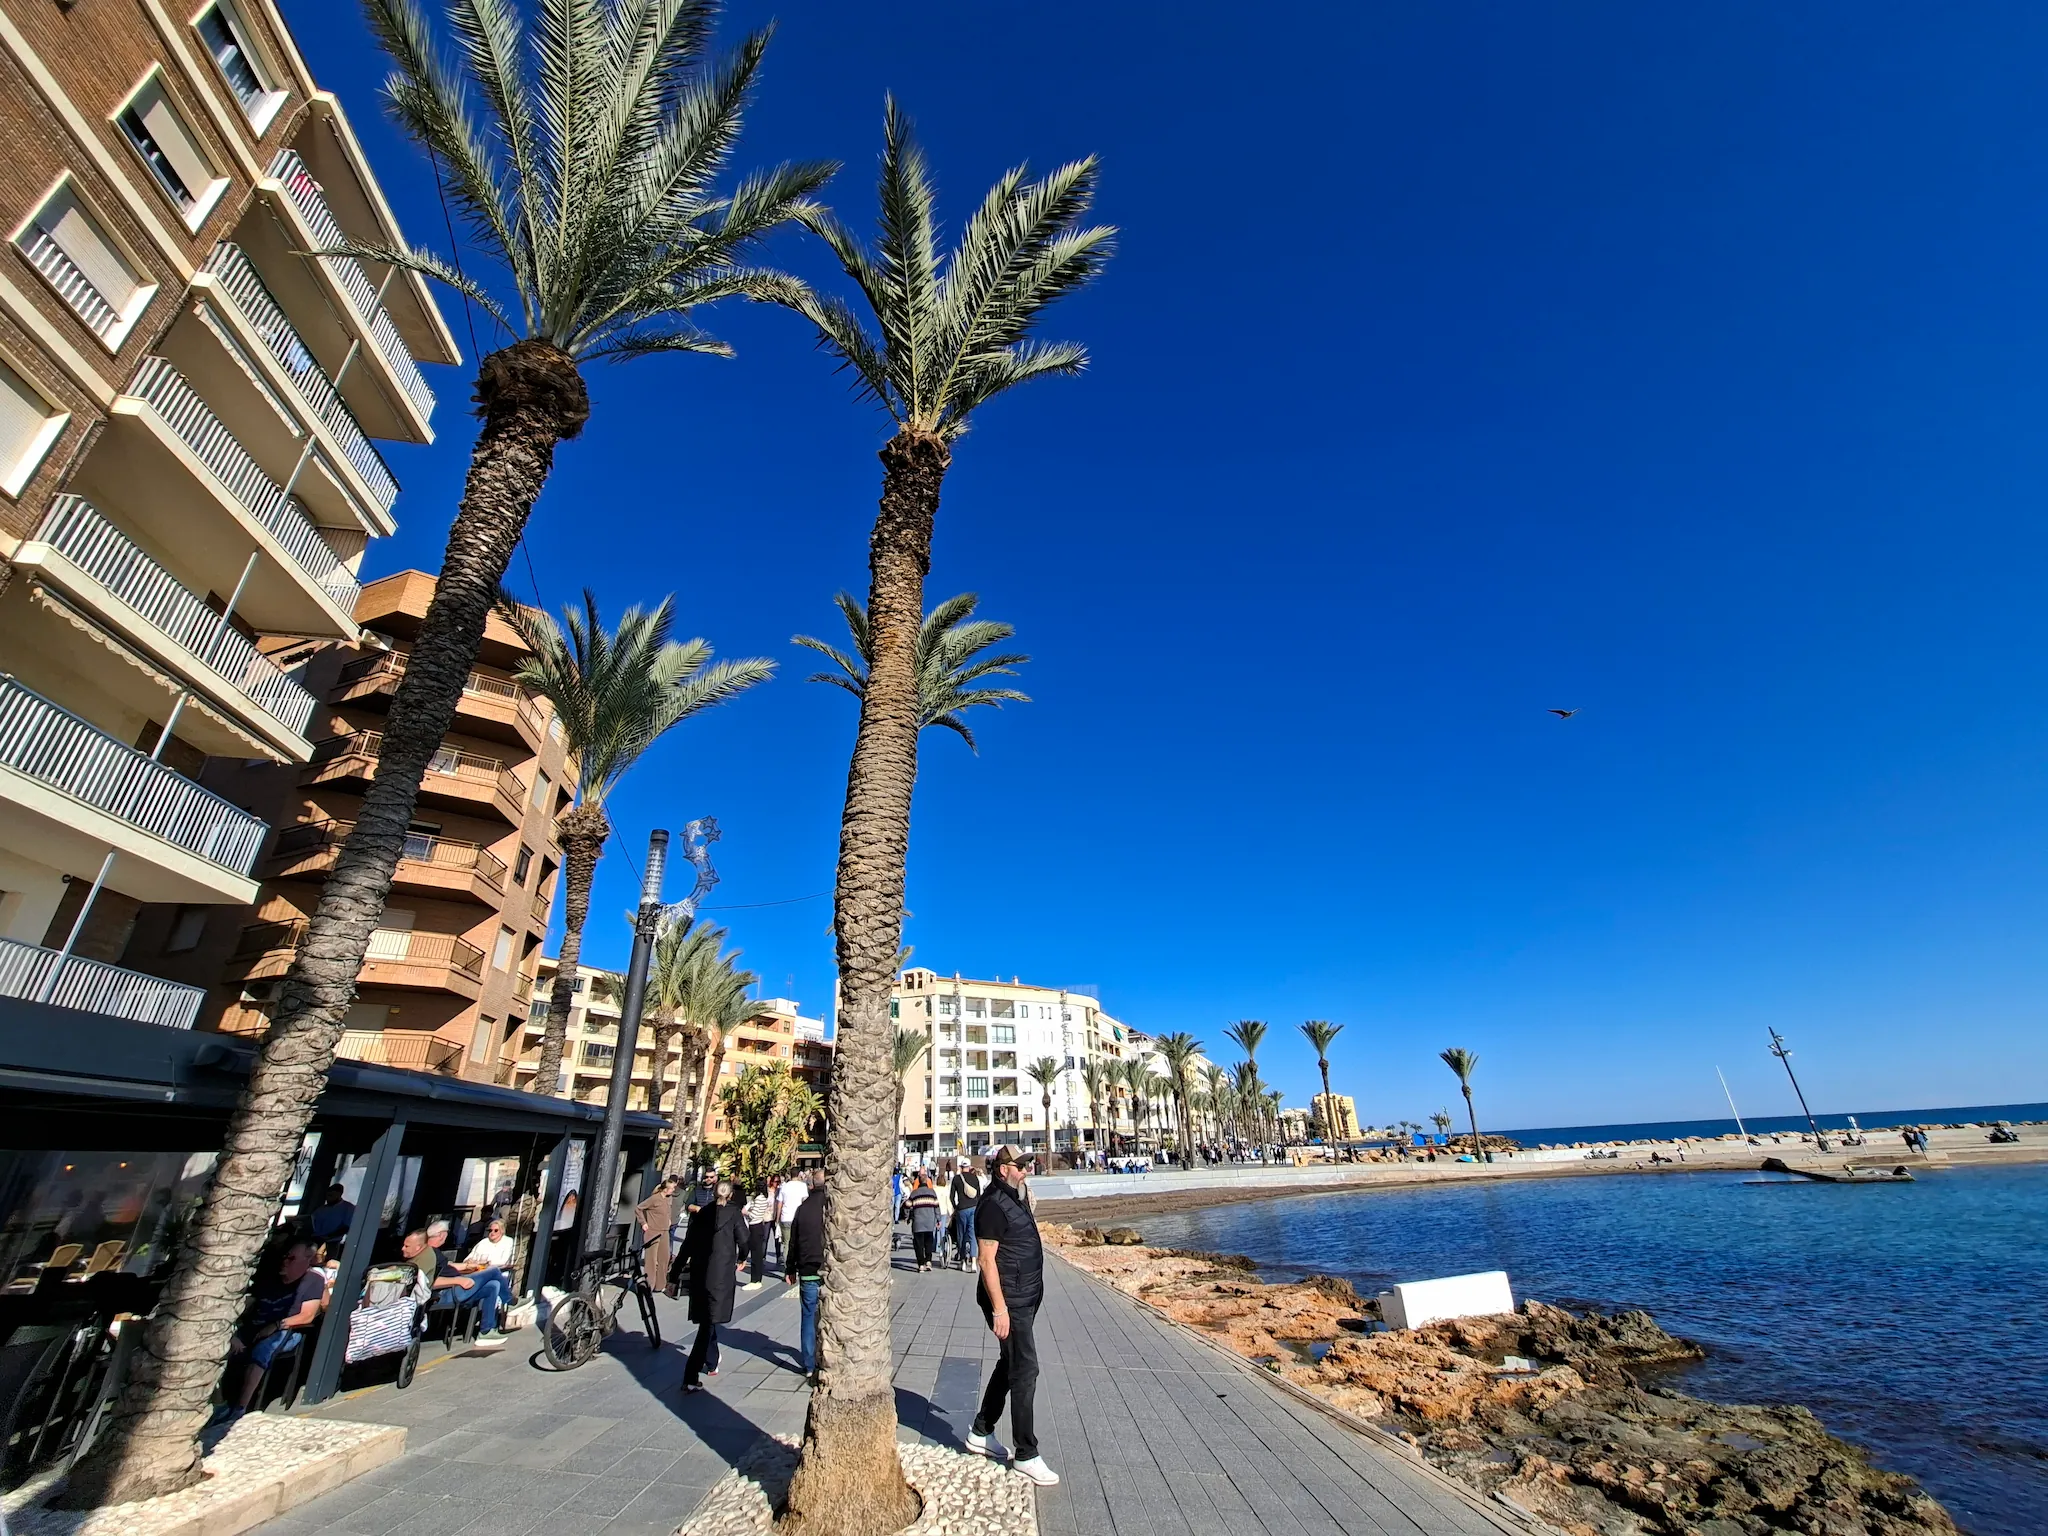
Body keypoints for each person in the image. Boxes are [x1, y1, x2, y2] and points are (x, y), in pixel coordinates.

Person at [967, 1148, 1057, 1485]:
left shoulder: (1012, 1195)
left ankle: (981, 1431)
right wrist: (1000, 1309)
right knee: (1025, 1368)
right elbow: (986, 1261)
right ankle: (1026, 1453)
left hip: (1023, 1297)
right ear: (1004, 1169)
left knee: (1010, 1364)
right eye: (1021, 1166)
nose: (1026, 1170)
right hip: (1010, 1302)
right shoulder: (992, 1204)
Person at [217, 1238, 327, 1422]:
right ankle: (219, 1404)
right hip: (255, 1326)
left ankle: (240, 1408)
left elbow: (307, 1316)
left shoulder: (313, 1280)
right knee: (215, 1344)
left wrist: (276, 1326)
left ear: (307, 1259)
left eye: (291, 1258)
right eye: (284, 1257)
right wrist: (232, 1331)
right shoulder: (270, 1277)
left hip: (287, 1329)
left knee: (263, 1349)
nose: (285, 1261)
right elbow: (247, 1305)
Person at [681, 1180, 748, 1392]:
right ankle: (690, 1375)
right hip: (721, 1274)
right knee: (708, 1324)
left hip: (701, 1272)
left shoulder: (704, 1213)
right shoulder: (735, 1214)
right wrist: (742, 1258)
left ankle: (711, 1359)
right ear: (729, 1196)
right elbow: (744, 1240)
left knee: (708, 1321)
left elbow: (688, 1243)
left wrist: (675, 1272)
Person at [415, 1222, 508, 1345]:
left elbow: (448, 1265)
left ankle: (486, 1332)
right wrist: (458, 1280)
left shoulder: (435, 1253)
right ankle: (510, 1301)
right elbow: (429, 1281)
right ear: (442, 1235)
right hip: (445, 1293)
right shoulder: (429, 1254)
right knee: (494, 1271)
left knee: (493, 1285)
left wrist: (468, 1265)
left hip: (454, 1289)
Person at [784, 1170, 826, 1379]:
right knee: (829, 1315)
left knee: (808, 1317)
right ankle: (827, 1358)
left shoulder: (802, 1209)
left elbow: (793, 1241)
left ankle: (809, 1365)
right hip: (828, 1269)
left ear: (811, 1185)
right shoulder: (832, 1207)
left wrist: (789, 1268)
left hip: (807, 1270)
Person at [636, 1176, 678, 1295]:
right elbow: (639, 1208)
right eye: (672, 1188)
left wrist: (668, 1220)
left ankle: (660, 1285)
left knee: (664, 1258)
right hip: (653, 1232)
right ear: (666, 1189)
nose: (673, 1190)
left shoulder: (667, 1199)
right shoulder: (654, 1199)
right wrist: (643, 1223)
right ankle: (649, 1285)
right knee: (651, 1260)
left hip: (664, 1232)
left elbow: (666, 1212)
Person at [949, 1159, 983, 1273]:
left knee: (961, 1235)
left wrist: (955, 1207)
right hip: (973, 1208)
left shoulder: (957, 1178)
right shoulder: (975, 1178)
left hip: (962, 1209)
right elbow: (979, 1195)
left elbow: (951, 1196)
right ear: (969, 1166)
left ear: (960, 1167)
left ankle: (963, 1261)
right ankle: (973, 1263)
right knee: (972, 1234)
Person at [906, 1173, 942, 1271]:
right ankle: (928, 1261)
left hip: (918, 1222)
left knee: (919, 1244)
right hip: (929, 1221)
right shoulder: (932, 1193)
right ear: (927, 1182)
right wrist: (938, 1219)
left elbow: (907, 1205)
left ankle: (921, 1264)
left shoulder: (914, 1193)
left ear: (918, 1182)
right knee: (928, 1242)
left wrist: (908, 1217)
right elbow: (936, 1207)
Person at [741, 1183, 773, 1290]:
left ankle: (755, 1280)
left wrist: (746, 1212)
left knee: (756, 1255)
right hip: (757, 1226)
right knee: (756, 1254)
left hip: (755, 1225)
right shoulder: (762, 1199)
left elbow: (754, 1214)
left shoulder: (759, 1199)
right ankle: (756, 1279)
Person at [775, 1170, 807, 1272]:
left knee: (787, 1244)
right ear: (798, 1175)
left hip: (786, 1218)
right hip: (798, 1217)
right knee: (798, 1243)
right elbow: (804, 1202)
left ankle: (787, 1270)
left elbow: (779, 1203)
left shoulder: (784, 1186)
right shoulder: (802, 1186)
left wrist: (777, 1218)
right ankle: (797, 1267)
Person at [306, 1183, 354, 1247]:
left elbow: (347, 1227)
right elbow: (311, 1222)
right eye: (327, 1196)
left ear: (339, 1194)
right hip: (314, 1240)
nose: (328, 1198)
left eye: (331, 1195)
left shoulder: (348, 1208)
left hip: (332, 1243)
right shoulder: (321, 1209)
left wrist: (328, 1237)